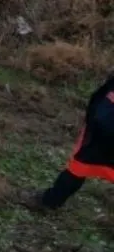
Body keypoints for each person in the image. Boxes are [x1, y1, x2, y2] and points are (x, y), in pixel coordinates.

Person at [23, 74, 114, 211]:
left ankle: (49, 202)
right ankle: (49, 201)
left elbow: (103, 117)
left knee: (79, 166)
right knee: (79, 167)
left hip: (103, 134)